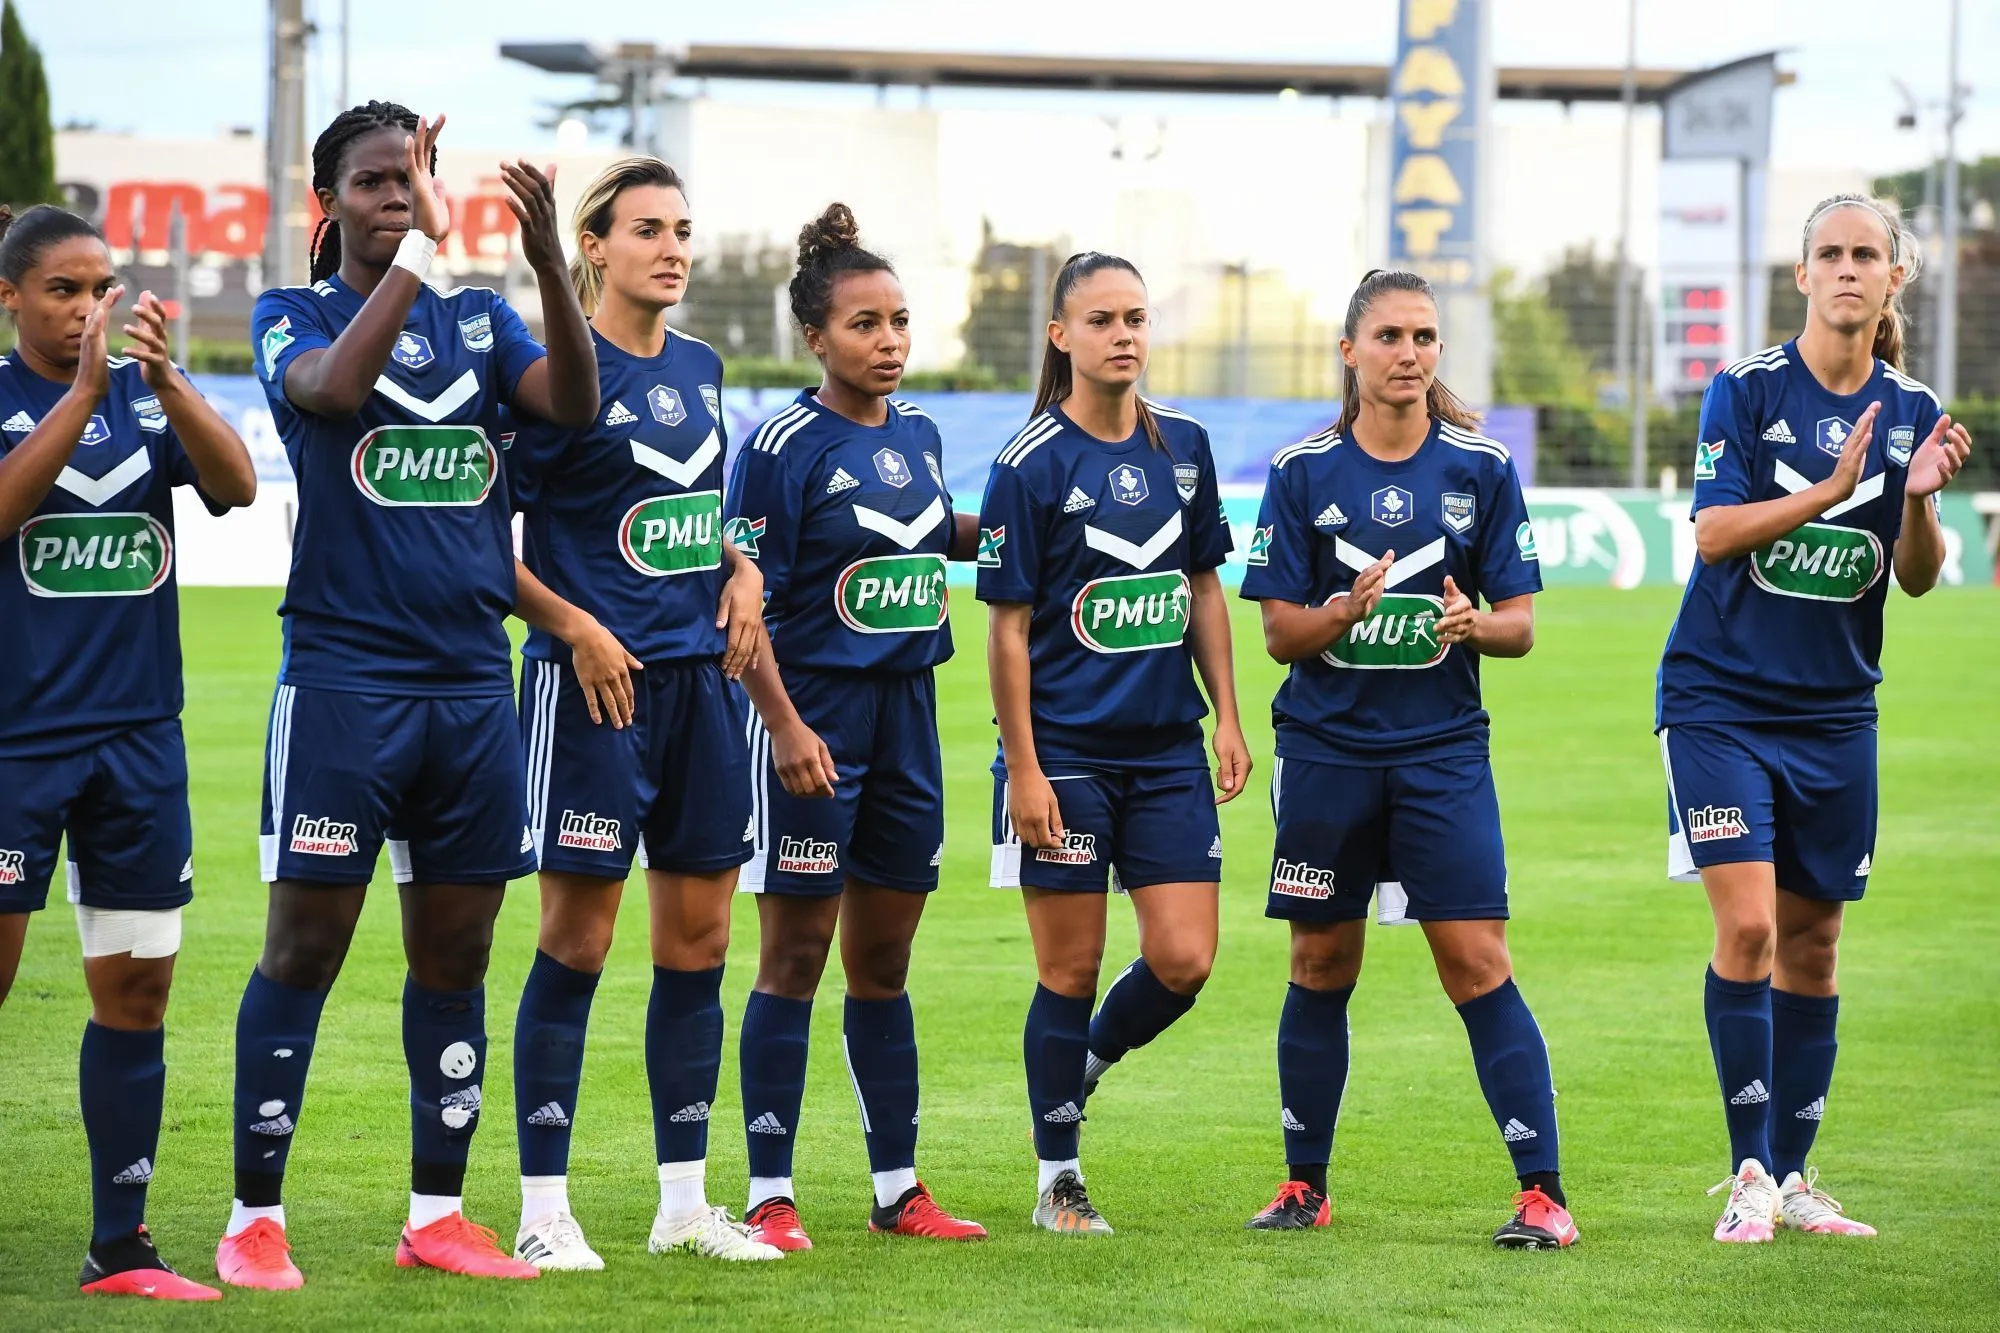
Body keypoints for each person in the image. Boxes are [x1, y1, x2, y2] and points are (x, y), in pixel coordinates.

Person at [217, 101, 607, 1288]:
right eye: (379, 182)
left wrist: (544, 261)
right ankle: (253, 1216)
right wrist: (425, 249)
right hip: (342, 686)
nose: (400, 195)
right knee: (304, 948)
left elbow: (576, 409)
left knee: (455, 958)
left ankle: (435, 1214)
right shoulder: (292, 314)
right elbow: (333, 392)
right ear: (325, 205)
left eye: (415, 177)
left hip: (468, 693)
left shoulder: (484, 321)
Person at [1235, 268, 1574, 1249]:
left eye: (1423, 337)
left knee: (1474, 961)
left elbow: (1519, 629)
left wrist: (1472, 622)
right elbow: (1278, 638)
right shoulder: (1302, 474)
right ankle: (1303, 1185)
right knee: (1319, 959)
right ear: (1349, 353)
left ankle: (1542, 1195)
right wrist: (1338, 612)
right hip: (1327, 752)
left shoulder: (1479, 468)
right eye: (1387, 336)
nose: (1407, 354)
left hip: (1439, 754)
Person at [1657, 194, 1970, 1243]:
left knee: (1815, 945)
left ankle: (1793, 1177)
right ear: (1799, 276)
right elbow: (1712, 534)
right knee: (1745, 926)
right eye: (1827, 254)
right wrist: (1831, 486)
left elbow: (1915, 583)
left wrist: (1915, 500)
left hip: (1836, 713)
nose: (1844, 269)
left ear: (1891, 281)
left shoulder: (1913, 406)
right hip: (1717, 701)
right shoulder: (1744, 391)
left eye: (1863, 256)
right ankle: (1744, 1169)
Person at [506, 155, 778, 1267]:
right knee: (577, 938)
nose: (671, 247)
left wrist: (744, 571)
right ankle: (540, 1210)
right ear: (594, 247)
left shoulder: (705, 365)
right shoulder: (548, 372)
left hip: (701, 689)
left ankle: (680, 1205)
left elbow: (698, 507)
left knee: (700, 942)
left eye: (680, 228)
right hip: (592, 692)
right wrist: (573, 627)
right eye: (646, 230)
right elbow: (488, 542)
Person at [0, 205, 257, 1300]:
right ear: (9, 298)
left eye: (100, 288)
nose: (85, 307)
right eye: (63, 289)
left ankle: (120, 1245)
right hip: (14, 750)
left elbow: (239, 487)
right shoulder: (26, 401)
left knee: (138, 994)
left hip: (140, 746)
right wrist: (85, 394)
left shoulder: (145, 406)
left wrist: (167, 383)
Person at [723, 203, 986, 1249]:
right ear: (814, 338)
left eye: (898, 322)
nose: (886, 342)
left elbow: (933, 538)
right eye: (864, 324)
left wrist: (1043, 531)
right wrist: (783, 726)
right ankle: (768, 1191)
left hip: (909, 721)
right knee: (792, 954)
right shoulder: (779, 448)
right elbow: (738, 604)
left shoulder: (918, 433)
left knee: (883, 964)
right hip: (813, 723)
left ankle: (896, 1189)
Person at [977, 251, 1248, 1235]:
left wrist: (1224, 711)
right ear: (1061, 337)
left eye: (1135, 316)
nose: (1123, 334)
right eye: (1101, 319)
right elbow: (1006, 628)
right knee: (1069, 966)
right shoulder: (1029, 461)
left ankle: (1082, 1064)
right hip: (1067, 756)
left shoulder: (1183, 446)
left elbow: (1202, 587)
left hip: (1167, 749)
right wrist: (1025, 768)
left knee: (1183, 959)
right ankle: (1057, 1177)